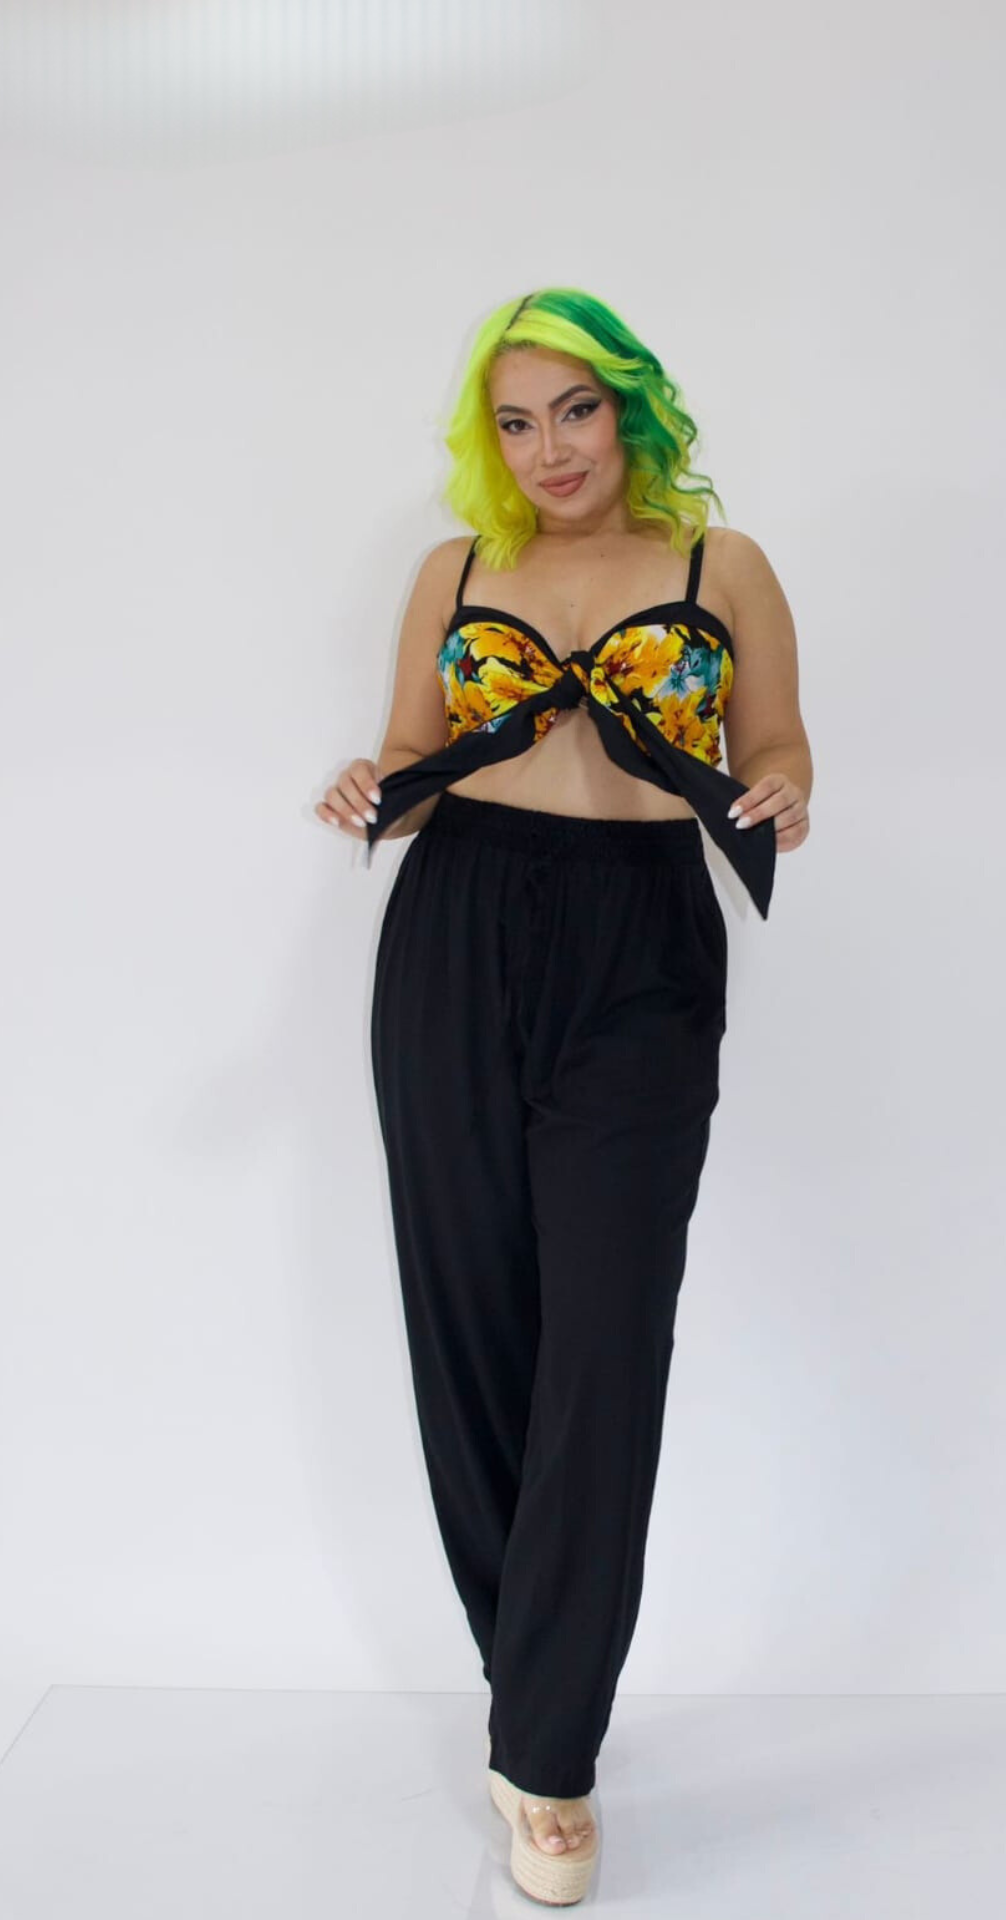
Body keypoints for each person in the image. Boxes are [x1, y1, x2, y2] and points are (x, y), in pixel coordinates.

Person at [316, 287, 812, 1905]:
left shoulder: (721, 567)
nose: (551, 450)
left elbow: (781, 746)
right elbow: (411, 763)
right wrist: (367, 790)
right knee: (471, 1325)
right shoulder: (457, 570)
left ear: (631, 411)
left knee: (606, 1342)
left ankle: (547, 1752)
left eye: (577, 412)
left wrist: (784, 790)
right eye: (517, 422)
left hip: (643, 947)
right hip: (457, 929)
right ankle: (535, 1692)